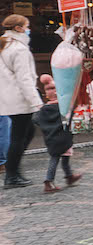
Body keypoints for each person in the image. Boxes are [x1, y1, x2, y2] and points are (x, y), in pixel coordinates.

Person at [0, 15, 46, 188]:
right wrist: (36, 102)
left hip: (7, 97)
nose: (29, 29)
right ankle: (12, 175)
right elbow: (24, 78)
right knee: (19, 136)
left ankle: (14, 170)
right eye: (27, 26)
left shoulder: (4, 44)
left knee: (25, 133)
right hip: (19, 98)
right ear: (18, 28)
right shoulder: (19, 49)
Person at [33, 74, 81, 193]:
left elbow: (36, 120)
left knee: (62, 157)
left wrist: (47, 126)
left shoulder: (43, 109)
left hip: (51, 137)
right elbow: (70, 118)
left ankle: (69, 176)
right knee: (57, 158)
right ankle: (49, 182)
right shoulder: (63, 107)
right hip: (63, 137)